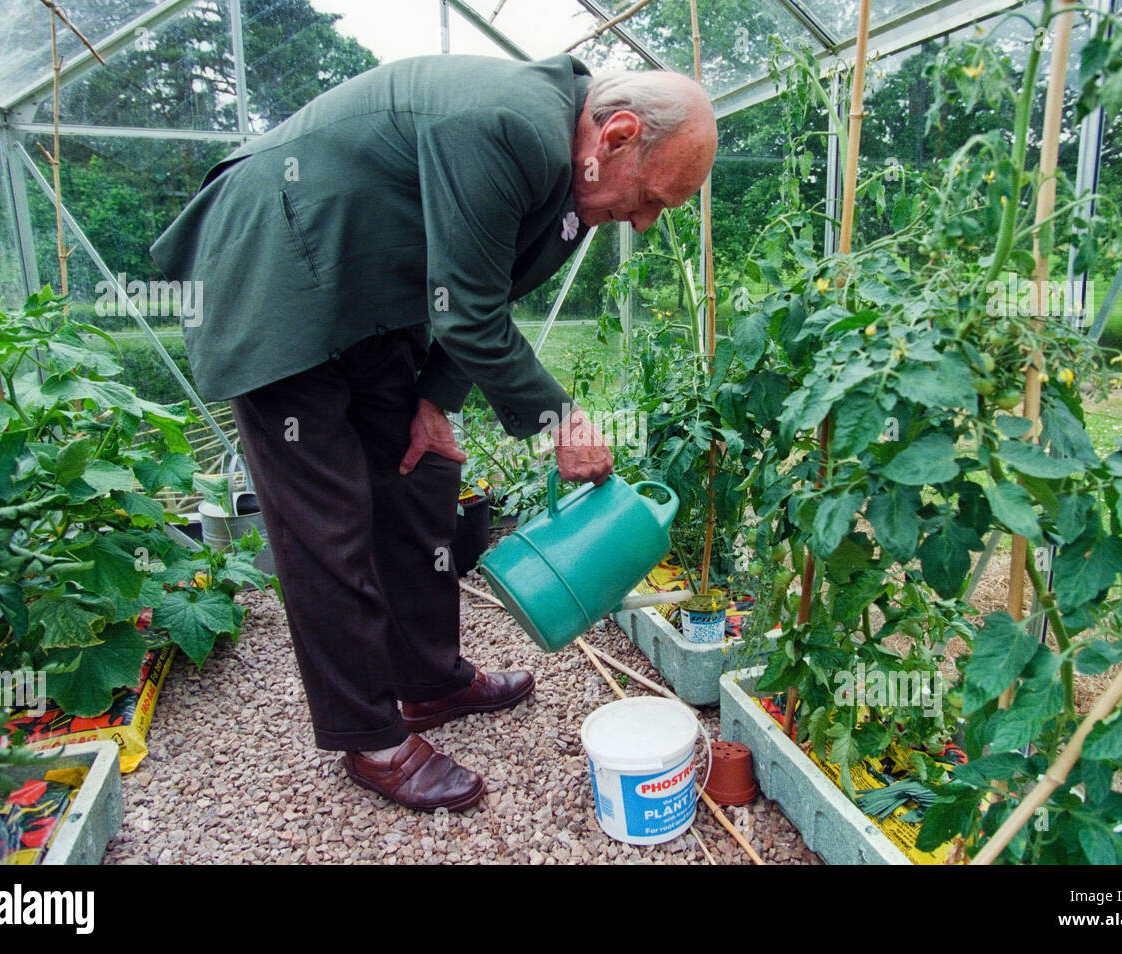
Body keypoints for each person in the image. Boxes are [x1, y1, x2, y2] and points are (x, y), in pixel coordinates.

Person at [150, 53, 717, 813]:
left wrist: (435, 400)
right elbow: (471, 313)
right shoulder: (509, 124)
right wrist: (560, 418)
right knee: (328, 516)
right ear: (615, 136)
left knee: (420, 469)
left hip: (368, 292)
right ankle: (370, 738)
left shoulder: (577, 182)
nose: (646, 220)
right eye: (650, 198)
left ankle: (427, 681)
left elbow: (483, 285)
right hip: (273, 275)